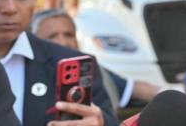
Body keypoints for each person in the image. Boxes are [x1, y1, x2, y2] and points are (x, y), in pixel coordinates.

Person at [31, 8, 162, 111]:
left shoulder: (90, 70)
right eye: (52, 37)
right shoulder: (26, 73)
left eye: (69, 35)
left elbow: (138, 88)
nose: (64, 42)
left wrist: (174, 97)